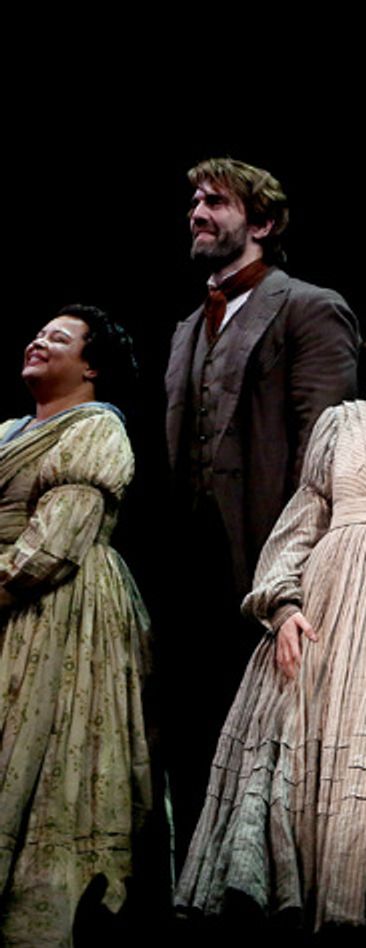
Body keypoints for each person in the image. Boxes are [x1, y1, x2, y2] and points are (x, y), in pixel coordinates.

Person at [174, 277, 366, 934]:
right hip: (329, 612)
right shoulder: (341, 421)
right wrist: (281, 604)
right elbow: (304, 518)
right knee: (305, 765)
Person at [162, 157, 361, 863]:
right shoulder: (190, 324)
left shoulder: (307, 306)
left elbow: (324, 445)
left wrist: (297, 564)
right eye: (195, 200)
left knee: (268, 733)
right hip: (190, 552)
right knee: (189, 723)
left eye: (215, 201)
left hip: (267, 551)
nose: (197, 212)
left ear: (263, 223)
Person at [0, 306, 151, 947]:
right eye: (38, 332)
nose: (39, 340)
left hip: (59, 612)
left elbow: (53, 545)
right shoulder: (7, 430)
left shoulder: (96, 430)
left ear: (90, 365)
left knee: (46, 757)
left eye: (58, 338)